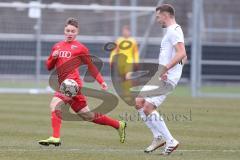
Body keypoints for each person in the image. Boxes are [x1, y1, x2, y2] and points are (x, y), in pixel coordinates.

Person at [38, 17, 126, 146]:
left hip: (73, 83)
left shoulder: (80, 48)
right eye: (68, 30)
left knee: (55, 104)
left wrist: (101, 81)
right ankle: (119, 125)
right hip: (64, 84)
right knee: (87, 116)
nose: (70, 33)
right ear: (64, 30)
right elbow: (49, 67)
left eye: (73, 31)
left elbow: (91, 66)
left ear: (77, 32)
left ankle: (55, 137)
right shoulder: (57, 46)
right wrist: (53, 56)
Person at [135, 4, 187, 155]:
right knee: (139, 102)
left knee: (148, 108)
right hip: (161, 75)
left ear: (165, 15)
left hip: (166, 77)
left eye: (158, 17)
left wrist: (167, 70)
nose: (157, 20)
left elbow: (182, 53)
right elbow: (184, 56)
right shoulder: (171, 31)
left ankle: (170, 141)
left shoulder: (174, 30)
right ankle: (158, 137)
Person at [109, 25, 139, 102]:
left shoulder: (133, 41)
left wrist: (136, 61)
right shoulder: (119, 40)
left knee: (128, 78)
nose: (125, 32)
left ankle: (127, 94)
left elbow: (135, 52)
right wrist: (111, 60)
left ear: (130, 32)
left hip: (129, 62)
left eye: (127, 31)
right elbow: (115, 51)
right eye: (124, 31)